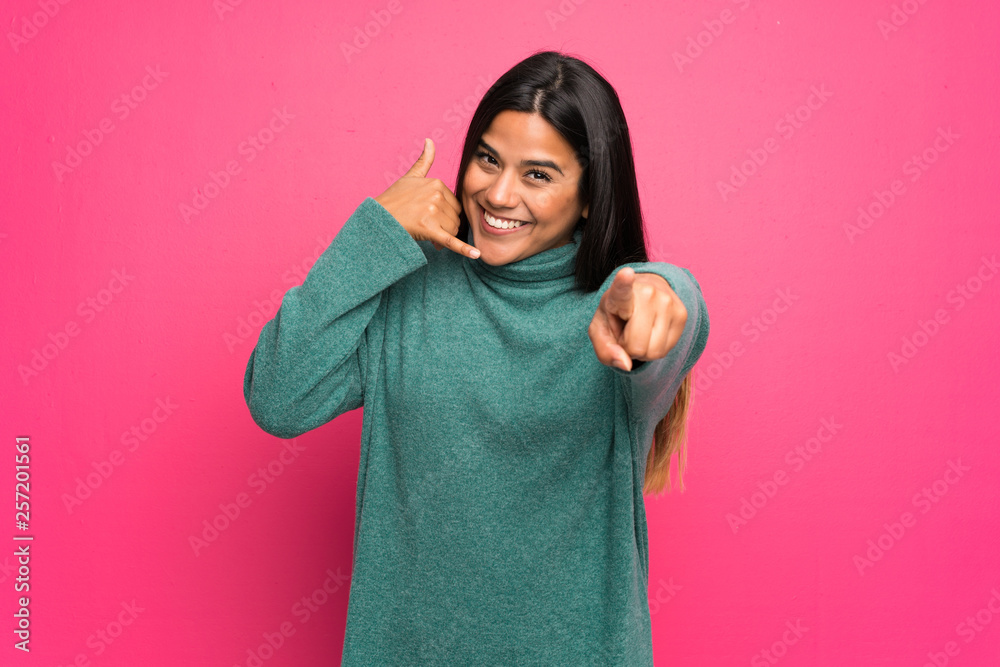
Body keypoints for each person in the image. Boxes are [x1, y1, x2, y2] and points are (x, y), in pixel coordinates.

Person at [243, 50, 710, 665]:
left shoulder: (615, 313)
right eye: (488, 159)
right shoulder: (409, 280)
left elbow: (672, 316)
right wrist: (373, 232)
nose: (498, 193)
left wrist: (665, 290)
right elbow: (278, 397)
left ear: (593, 196)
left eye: (538, 175)